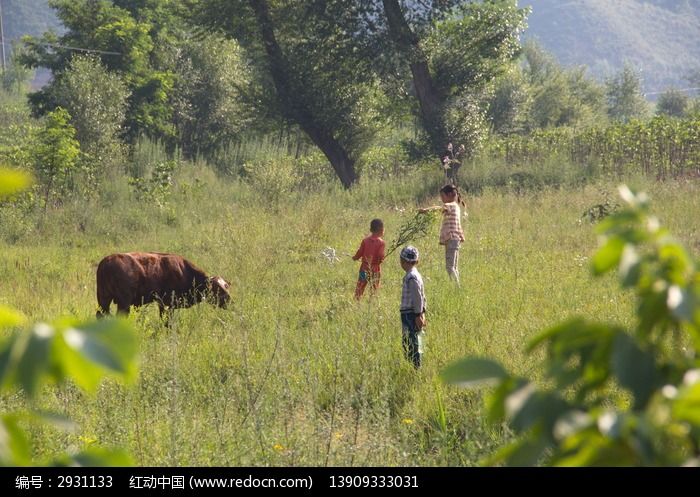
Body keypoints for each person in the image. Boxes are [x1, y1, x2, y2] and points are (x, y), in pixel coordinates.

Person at [419, 184, 466, 284]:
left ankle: (456, 288)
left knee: (449, 267)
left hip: (451, 238)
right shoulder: (456, 206)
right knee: (454, 267)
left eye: (442, 196)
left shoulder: (450, 205)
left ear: (449, 195)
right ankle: (457, 287)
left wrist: (425, 211)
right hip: (456, 239)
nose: (442, 199)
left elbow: (438, 208)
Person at [399, 246, 426, 369]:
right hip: (413, 313)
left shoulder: (411, 277)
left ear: (403, 261)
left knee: (411, 341)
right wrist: (422, 312)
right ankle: (415, 364)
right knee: (412, 339)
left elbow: (417, 297)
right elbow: (422, 296)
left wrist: (418, 315)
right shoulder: (416, 275)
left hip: (411, 314)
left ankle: (415, 365)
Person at [352, 218, 386, 299]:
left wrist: (355, 258)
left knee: (360, 286)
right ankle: (372, 302)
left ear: (371, 229)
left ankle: (357, 300)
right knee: (374, 288)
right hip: (375, 268)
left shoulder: (365, 241)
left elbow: (360, 252)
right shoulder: (381, 243)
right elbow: (380, 255)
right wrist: (381, 259)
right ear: (381, 230)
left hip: (364, 267)